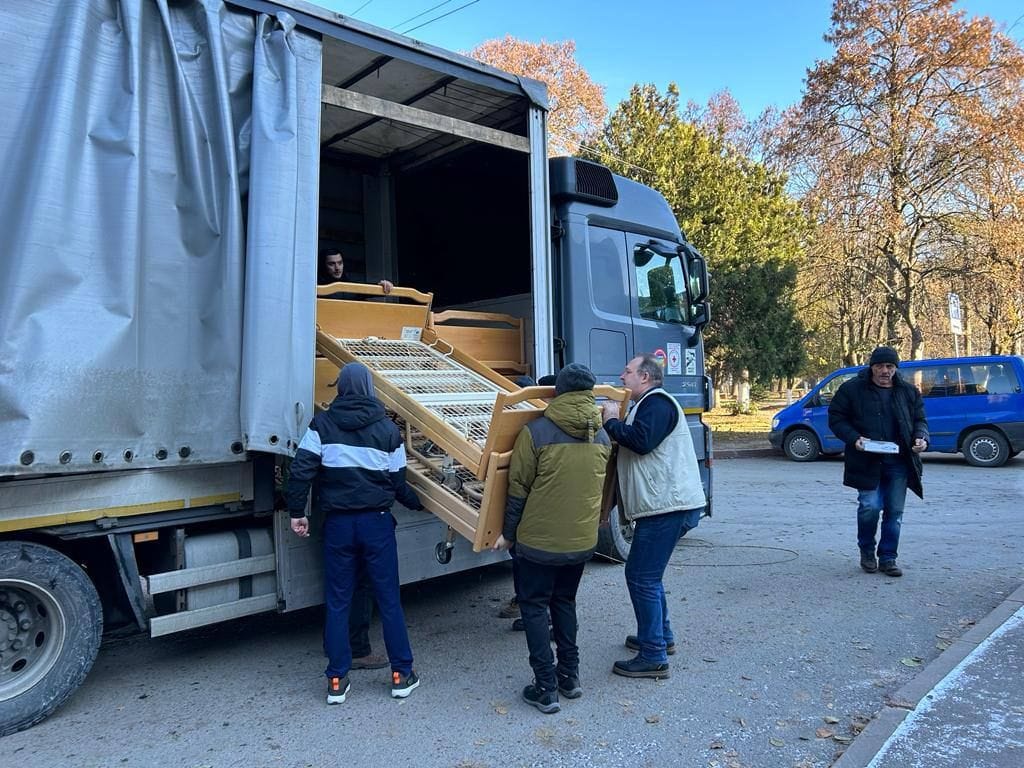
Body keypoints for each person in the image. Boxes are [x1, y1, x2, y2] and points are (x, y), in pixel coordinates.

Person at [287, 362, 423, 704]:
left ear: (341, 388)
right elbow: (398, 483)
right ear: (368, 388)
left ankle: (336, 679)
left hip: (338, 525)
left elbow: (301, 470)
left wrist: (297, 512)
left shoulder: (321, 425)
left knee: (338, 601)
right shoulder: (388, 430)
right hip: (377, 524)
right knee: (388, 599)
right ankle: (401, 674)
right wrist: (419, 503)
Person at [493, 364, 611, 714]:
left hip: (539, 543)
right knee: (565, 602)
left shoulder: (536, 432)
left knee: (533, 607)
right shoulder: (602, 436)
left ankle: (545, 687)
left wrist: (508, 535)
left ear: (557, 392)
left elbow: (517, 489)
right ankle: (569, 677)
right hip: (580, 542)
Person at [600, 354, 705, 680]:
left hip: (666, 508)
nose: (622, 376)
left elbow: (641, 442)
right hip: (665, 506)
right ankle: (660, 637)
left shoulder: (657, 403)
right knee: (648, 576)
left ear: (644, 377)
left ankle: (653, 655)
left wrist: (611, 422)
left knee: (641, 576)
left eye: (627, 371)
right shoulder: (648, 404)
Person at [827, 346, 928, 577]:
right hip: (865, 460)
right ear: (872, 367)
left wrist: (921, 438)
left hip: (899, 461)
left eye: (890, 366)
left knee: (895, 512)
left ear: (896, 368)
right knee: (870, 507)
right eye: (880, 366)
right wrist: (854, 438)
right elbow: (836, 418)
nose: (885, 371)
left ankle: (888, 558)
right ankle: (867, 552)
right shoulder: (852, 389)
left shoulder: (908, 391)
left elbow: (920, 420)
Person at [318, 247, 394, 294]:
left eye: (340, 263)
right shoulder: (316, 286)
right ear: (323, 265)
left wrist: (384, 284)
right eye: (331, 264)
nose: (337, 268)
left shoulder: (350, 285)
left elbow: (367, 289)